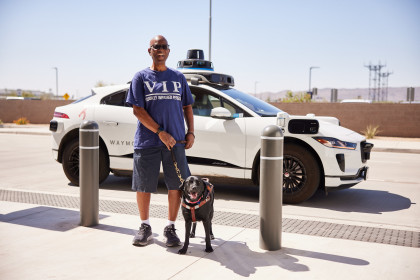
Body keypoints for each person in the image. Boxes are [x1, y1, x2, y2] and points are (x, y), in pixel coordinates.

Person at [126, 35, 195, 247]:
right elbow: (138, 111)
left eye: (164, 47)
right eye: (157, 46)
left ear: (169, 51)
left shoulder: (178, 77)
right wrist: (160, 132)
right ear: (150, 50)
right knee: (144, 186)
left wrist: (191, 132)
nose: (161, 50)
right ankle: (145, 227)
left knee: (176, 186)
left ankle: (170, 227)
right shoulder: (141, 77)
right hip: (148, 141)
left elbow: (187, 107)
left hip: (176, 142)